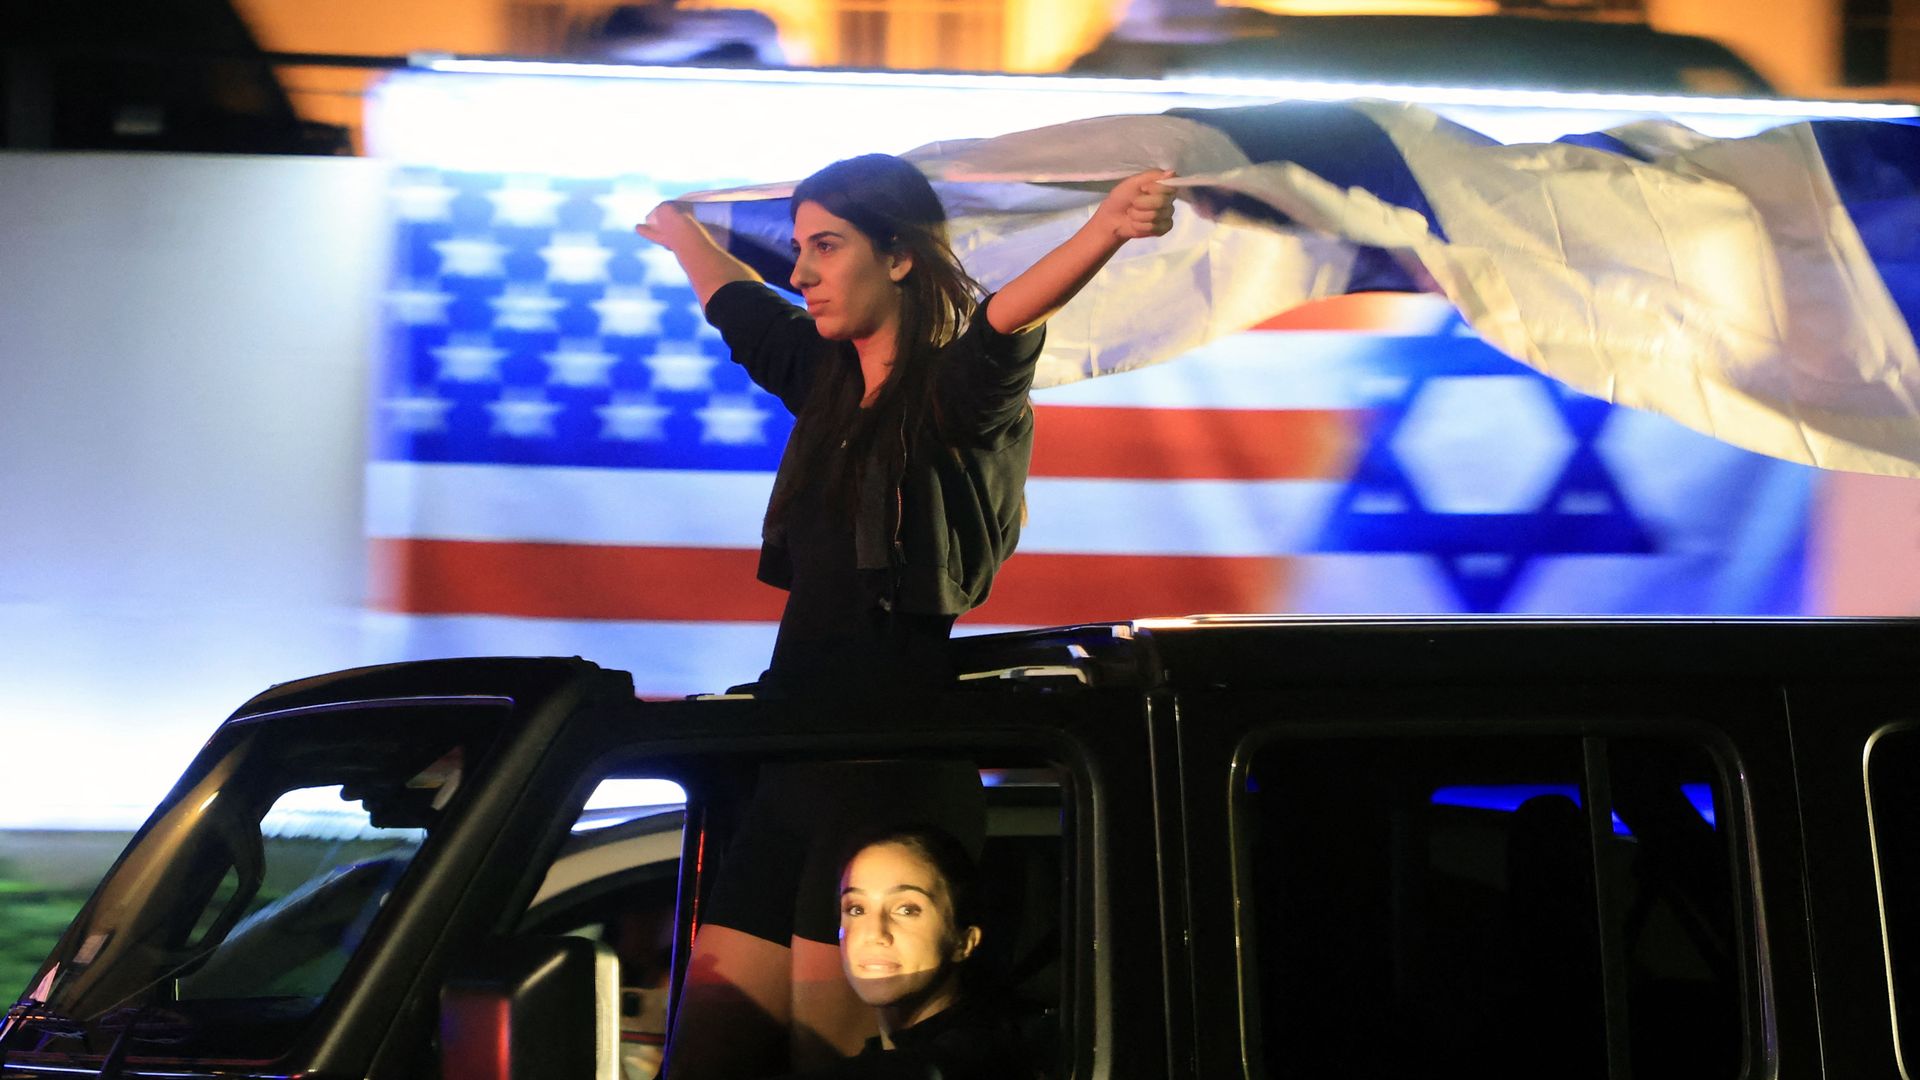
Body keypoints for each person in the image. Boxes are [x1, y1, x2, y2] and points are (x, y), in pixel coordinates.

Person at [636, 154, 1175, 696]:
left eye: (826, 246)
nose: (800, 275)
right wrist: (682, 231)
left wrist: (1108, 228)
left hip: (893, 728)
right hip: (798, 716)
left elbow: (1004, 323)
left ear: (898, 258)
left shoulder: (954, 395)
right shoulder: (825, 380)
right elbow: (740, 304)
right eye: (799, 249)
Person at [775, 824, 1042, 1080]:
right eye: (857, 909)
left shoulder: (979, 1056)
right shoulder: (888, 1053)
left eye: (906, 909)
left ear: (964, 941)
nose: (874, 933)